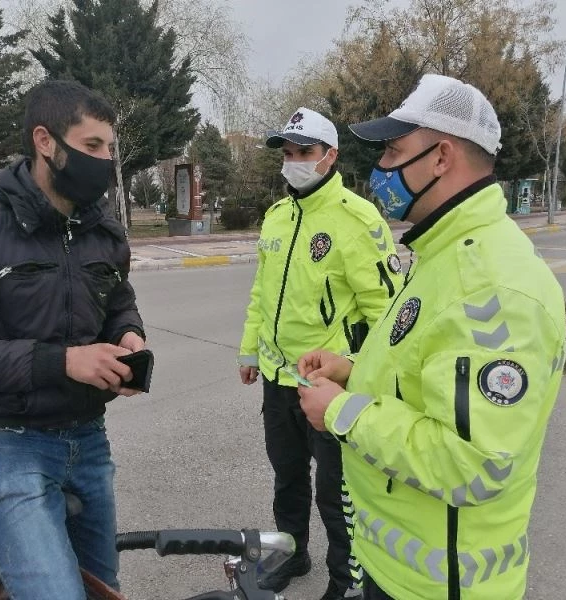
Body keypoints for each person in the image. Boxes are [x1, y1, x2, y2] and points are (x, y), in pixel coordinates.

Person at [297, 74, 566, 600]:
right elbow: (424, 374)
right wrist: (354, 371)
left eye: (394, 152)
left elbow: (473, 463)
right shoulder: (442, 253)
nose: (380, 169)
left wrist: (341, 412)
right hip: (399, 566)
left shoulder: (492, 289)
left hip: (441, 584)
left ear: (442, 157)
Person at [0, 80, 146, 599]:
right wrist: (62, 362)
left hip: (88, 439)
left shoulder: (103, 229)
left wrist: (128, 335)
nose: (105, 161)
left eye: (109, 148)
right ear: (45, 141)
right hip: (3, 443)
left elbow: (118, 301)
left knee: (102, 590)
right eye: (92, 146)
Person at [238, 107, 404, 600]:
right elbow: (261, 293)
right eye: (287, 153)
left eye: (304, 152)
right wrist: (249, 351)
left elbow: (387, 312)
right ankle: (292, 554)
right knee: (287, 478)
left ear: (330, 156)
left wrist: (357, 371)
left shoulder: (357, 219)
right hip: (277, 378)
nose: (293, 162)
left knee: (337, 492)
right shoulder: (278, 216)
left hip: (329, 385)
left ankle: (345, 579)